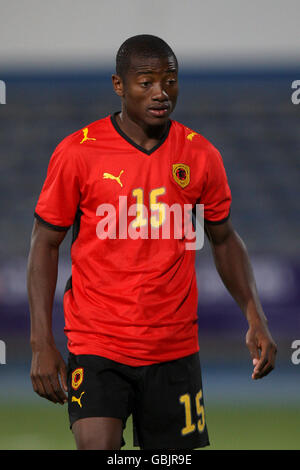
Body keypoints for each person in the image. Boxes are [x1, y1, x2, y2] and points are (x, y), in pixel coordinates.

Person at [27, 34, 277, 450]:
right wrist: (41, 342)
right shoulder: (78, 153)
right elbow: (44, 243)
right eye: (147, 82)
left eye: (170, 80)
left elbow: (225, 239)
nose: (161, 92)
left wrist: (255, 315)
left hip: (174, 347)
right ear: (118, 85)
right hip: (97, 343)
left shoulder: (201, 156)